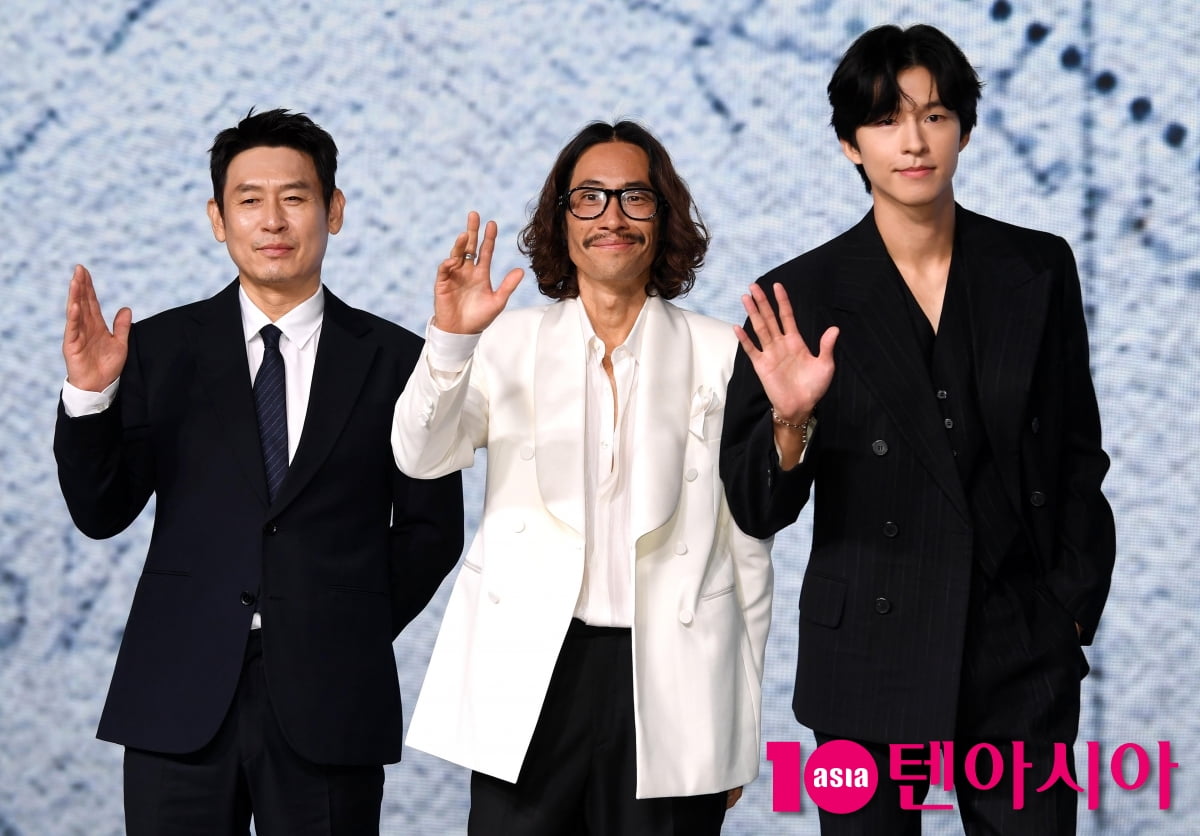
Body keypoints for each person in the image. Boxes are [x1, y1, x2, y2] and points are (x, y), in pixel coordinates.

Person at [719, 24, 1116, 834]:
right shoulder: (797, 294)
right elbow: (755, 506)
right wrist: (792, 421)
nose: (913, 141)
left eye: (935, 115)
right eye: (886, 119)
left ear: (964, 130)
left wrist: (1070, 607)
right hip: (867, 643)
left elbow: (1076, 452)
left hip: (1018, 640)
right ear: (849, 144)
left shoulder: (1037, 267)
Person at [53, 108, 464, 835]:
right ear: (219, 218)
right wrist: (91, 396)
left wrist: (342, 624)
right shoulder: (156, 349)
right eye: (249, 200)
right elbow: (101, 511)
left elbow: (432, 531)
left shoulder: (400, 361)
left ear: (334, 210)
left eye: (295, 197)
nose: (272, 220)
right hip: (176, 694)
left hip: (332, 699)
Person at [391, 120, 773, 835]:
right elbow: (420, 455)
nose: (612, 217)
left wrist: (739, 726)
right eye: (589, 198)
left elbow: (747, 547)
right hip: (532, 673)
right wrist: (450, 341)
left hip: (675, 682)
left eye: (635, 197)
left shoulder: (722, 352)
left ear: (664, 218)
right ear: (560, 220)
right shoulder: (504, 341)